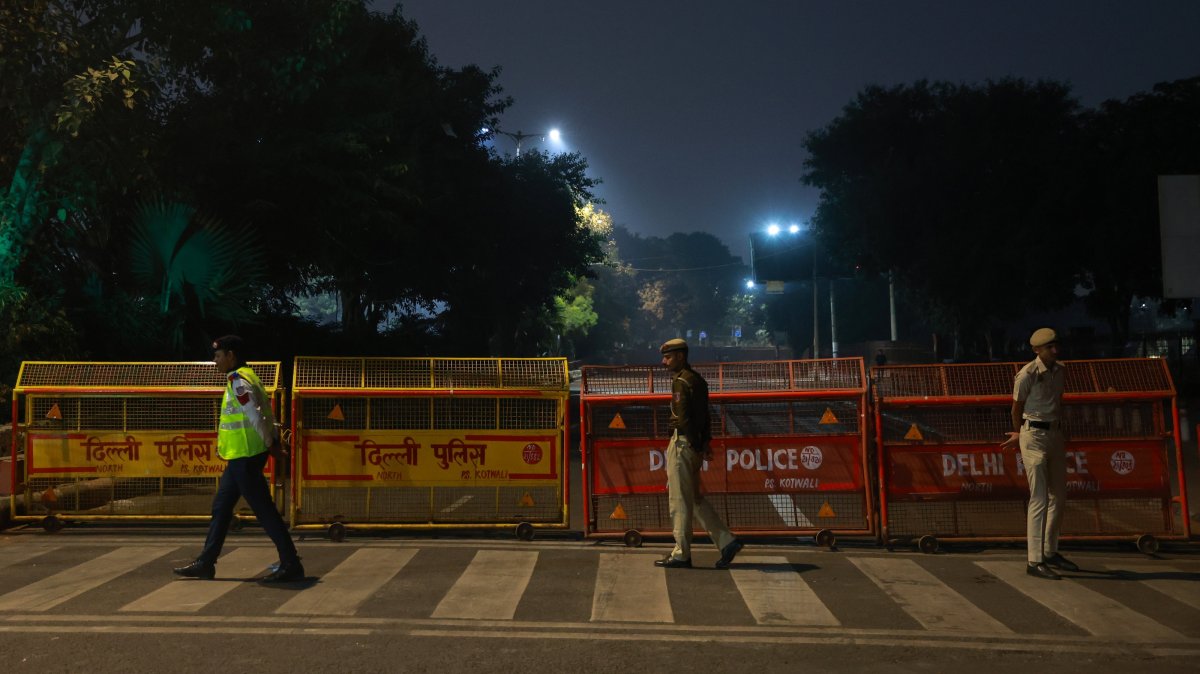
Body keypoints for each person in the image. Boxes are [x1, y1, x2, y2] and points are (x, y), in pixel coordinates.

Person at [173, 335, 305, 583]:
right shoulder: (246, 376)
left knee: (264, 511)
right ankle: (206, 562)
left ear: (231, 355)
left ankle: (291, 563)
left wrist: (272, 445)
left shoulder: (238, 381)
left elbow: (256, 417)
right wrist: (273, 443)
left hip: (246, 456)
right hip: (239, 458)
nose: (215, 361)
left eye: (218, 356)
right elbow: (266, 414)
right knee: (221, 509)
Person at [654, 338, 743, 569]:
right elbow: (705, 415)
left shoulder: (681, 381)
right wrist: (704, 444)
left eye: (668, 357)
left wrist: (693, 443)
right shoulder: (699, 381)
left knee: (679, 501)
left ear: (681, 356)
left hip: (682, 444)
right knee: (694, 499)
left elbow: (683, 418)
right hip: (694, 446)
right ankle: (727, 541)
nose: (665, 362)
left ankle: (681, 553)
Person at [1000, 328, 1078, 580]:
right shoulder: (1027, 375)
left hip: (1054, 434)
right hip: (1033, 435)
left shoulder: (1060, 371)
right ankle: (1034, 560)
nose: (1055, 350)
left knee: (1060, 496)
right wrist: (1019, 433)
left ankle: (1050, 551)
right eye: (1049, 347)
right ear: (1036, 350)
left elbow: (1058, 402)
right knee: (1039, 498)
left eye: (1056, 345)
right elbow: (1016, 408)